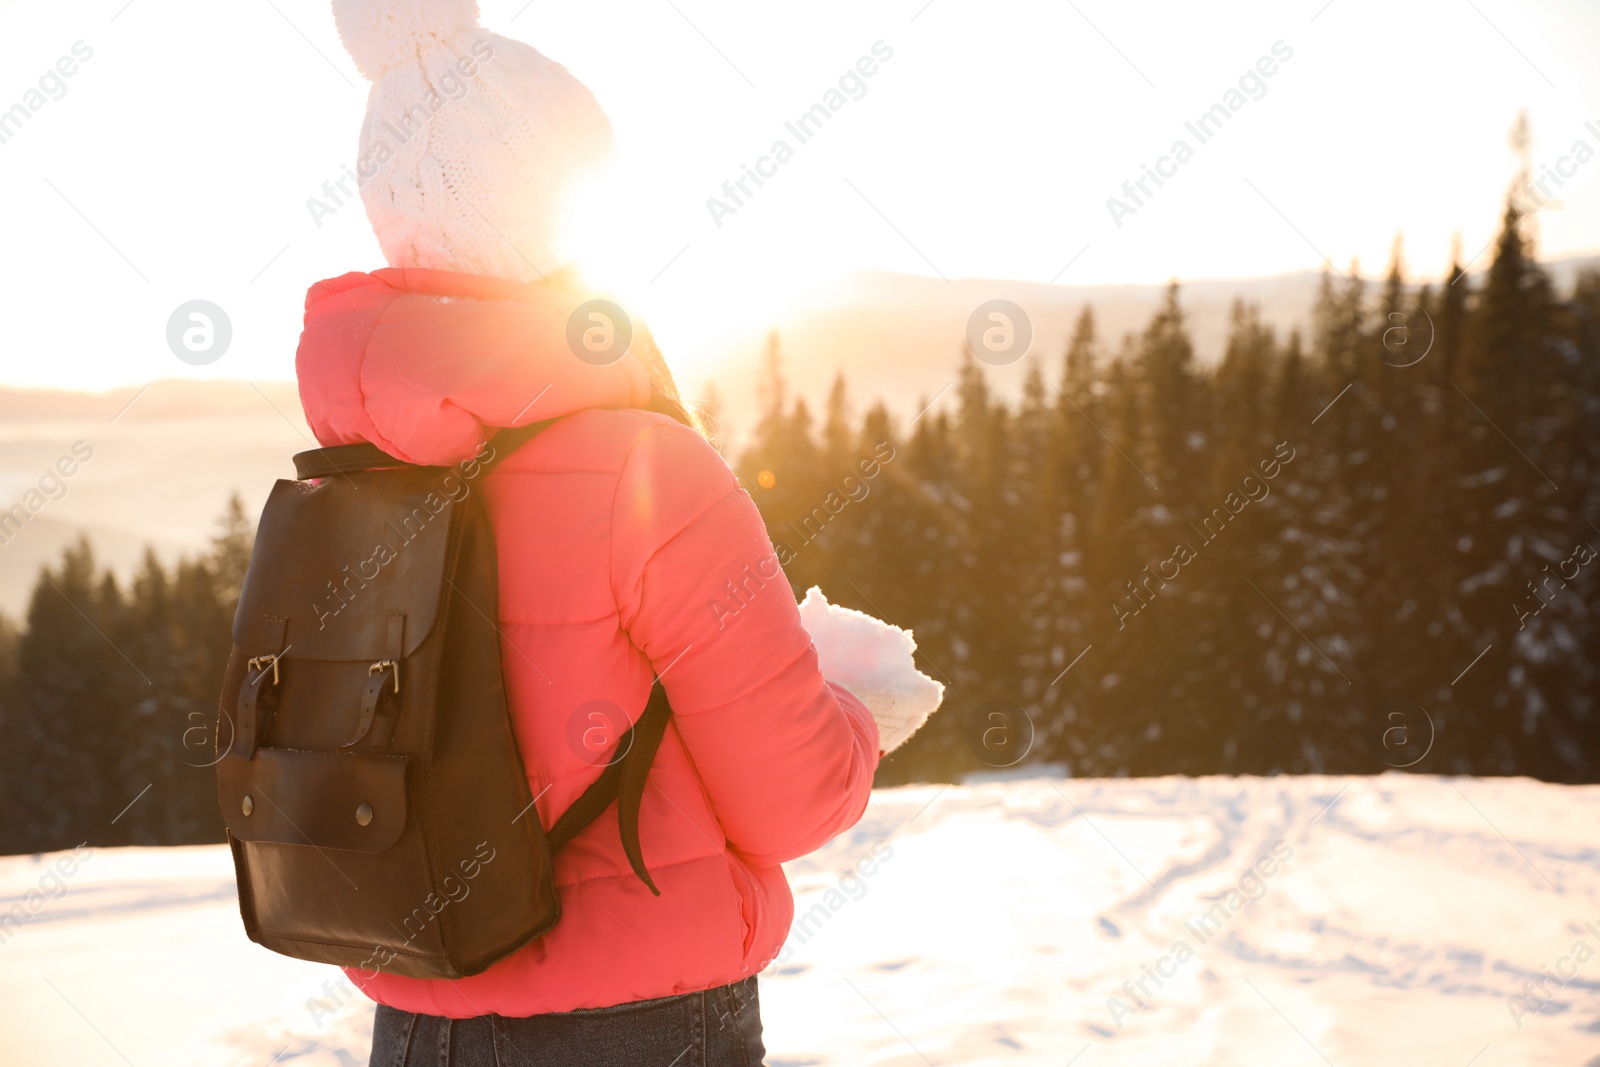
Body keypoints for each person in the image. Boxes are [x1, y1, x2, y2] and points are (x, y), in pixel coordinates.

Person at [299, 3, 943, 1063]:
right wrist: (858, 712)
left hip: (415, 1023)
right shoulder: (646, 469)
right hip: (640, 1025)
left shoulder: (349, 466)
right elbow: (789, 801)